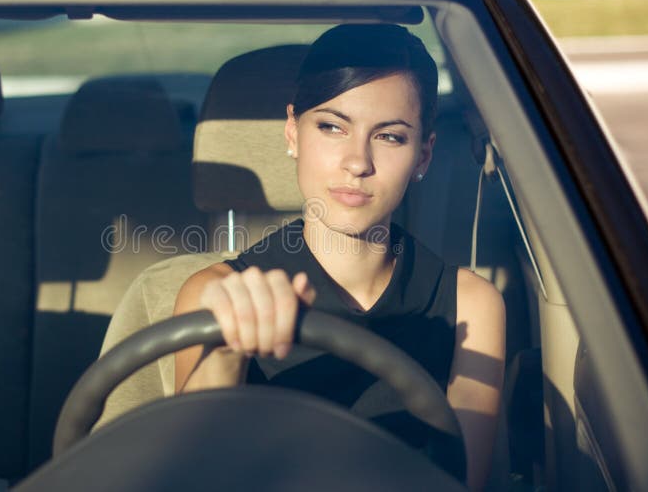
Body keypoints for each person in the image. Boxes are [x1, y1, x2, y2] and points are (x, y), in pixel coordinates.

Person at [173, 24, 505, 491]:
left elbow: (462, 482)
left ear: (423, 156)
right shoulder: (214, 293)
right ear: (293, 132)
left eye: (390, 137)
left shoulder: (470, 303)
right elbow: (190, 477)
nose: (357, 162)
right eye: (332, 127)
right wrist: (225, 357)